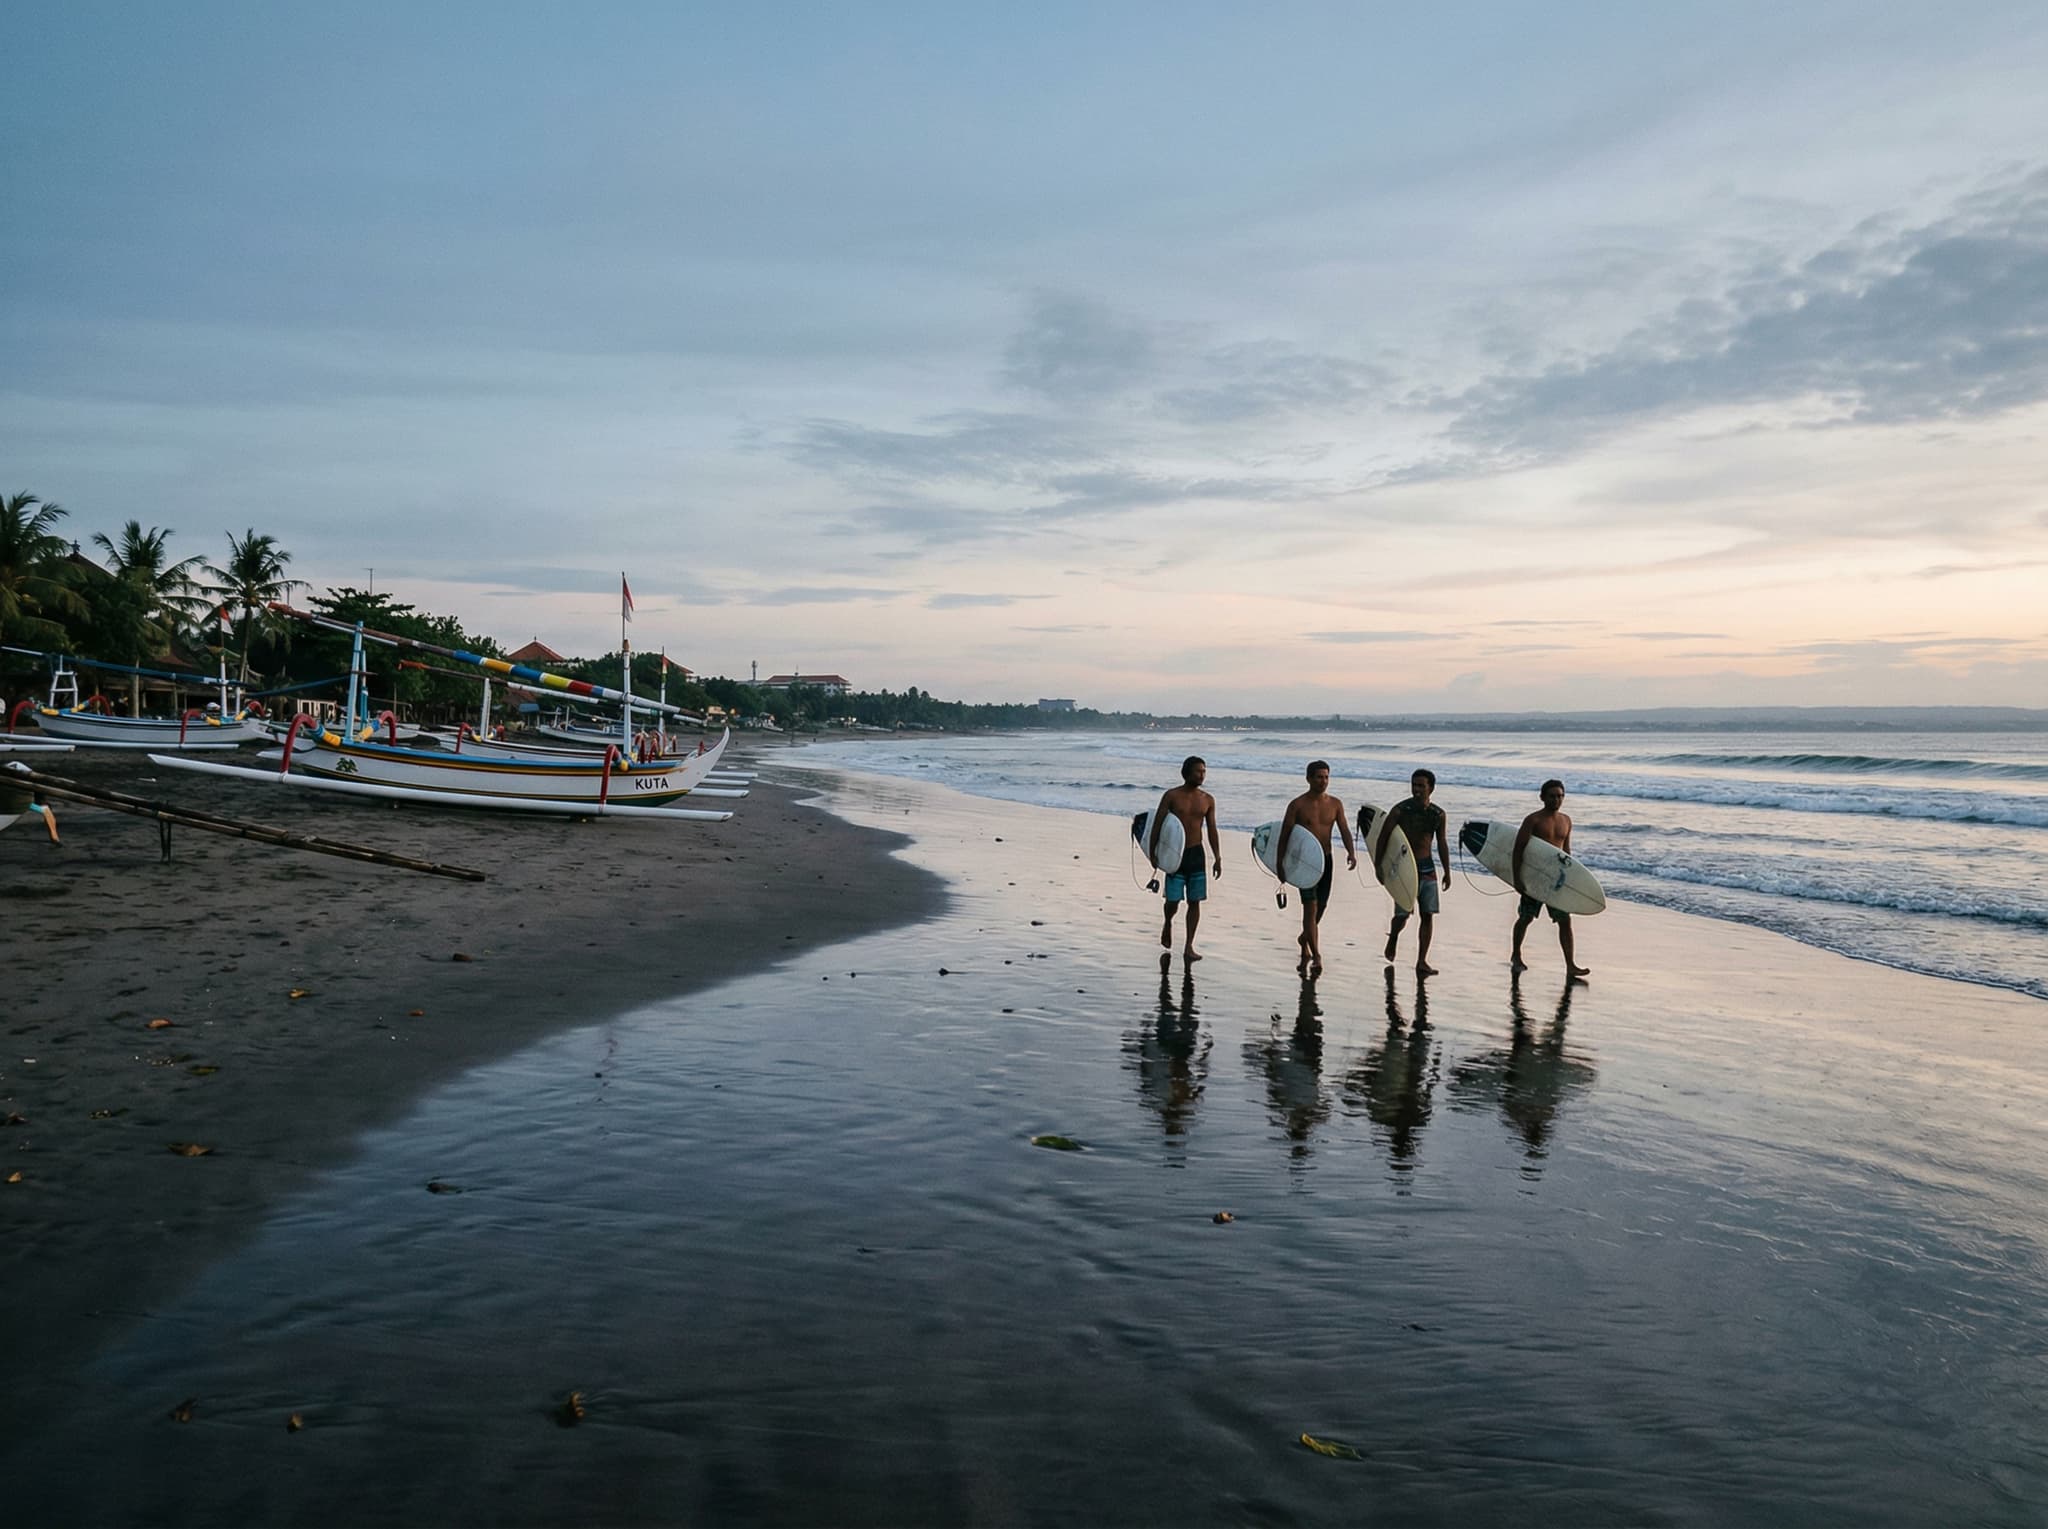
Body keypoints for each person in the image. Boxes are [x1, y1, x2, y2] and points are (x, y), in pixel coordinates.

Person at [1275, 760, 1355, 977]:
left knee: (1322, 906)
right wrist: (1280, 863)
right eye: (1319, 777)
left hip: (1326, 860)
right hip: (1304, 861)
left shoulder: (1335, 804)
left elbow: (1345, 830)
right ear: (1308, 778)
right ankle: (1316, 954)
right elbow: (1284, 835)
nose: (1323, 781)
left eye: (1327, 777)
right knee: (1309, 908)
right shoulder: (1297, 805)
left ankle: (1305, 938)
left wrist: (1351, 852)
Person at [1512, 779, 1590, 980]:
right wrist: (1517, 879)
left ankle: (1571, 965)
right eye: (1553, 796)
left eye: (1560, 796)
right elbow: (1518, 850)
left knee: (1565, 921)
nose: (1557, 799)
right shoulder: (1533, 820)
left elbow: (1567, 852)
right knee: (1526, 918)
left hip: (1557, 880)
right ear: (1542, 797)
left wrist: (1571, 878)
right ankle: (1516, 954)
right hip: (1535, 877)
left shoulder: (1566, 820)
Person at [1376, 768, 1451, 975]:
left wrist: (1447, 870)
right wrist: (1378, 865)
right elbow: (1383, 836)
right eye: (1414, 785)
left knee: (1428, 914)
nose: (1416, 789)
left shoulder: (1438, 814)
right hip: (1404, 869)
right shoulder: (1401, 810)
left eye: (1421, 786)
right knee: (1403, 915)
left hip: (1427, 867)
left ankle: (1422, 961)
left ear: (1431, 788)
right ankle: (1393, 937)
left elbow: (1442, 842)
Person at [1149, 755, 1221, 962]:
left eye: (1204, 771)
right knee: (1173, 900)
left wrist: (1218, 856)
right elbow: (1158, 824)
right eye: (1198, 771)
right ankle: (1168, 922)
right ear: (1186, 773)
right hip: (1175, 854)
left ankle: (1189, 945)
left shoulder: (1207, 799)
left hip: (1196, 854)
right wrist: (1153, 852)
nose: (1202, 775)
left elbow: (1212, 830)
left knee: (1195, 901)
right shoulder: (1171, 796)